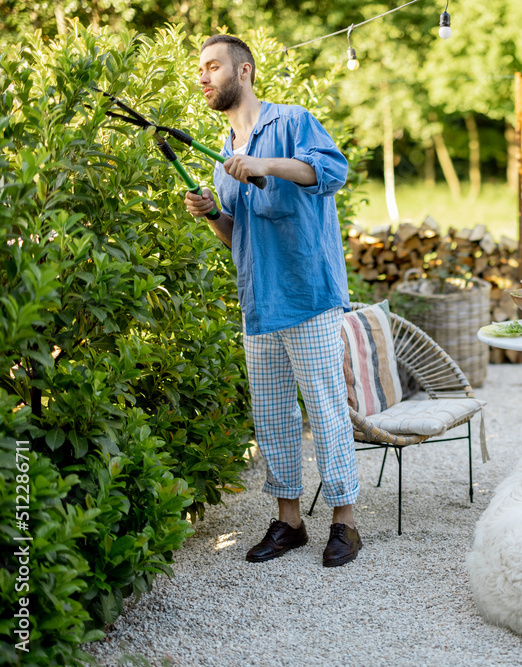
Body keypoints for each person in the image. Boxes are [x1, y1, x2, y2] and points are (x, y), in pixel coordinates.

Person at [184, 35, 362, 567]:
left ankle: (345, 524)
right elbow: (237, 235)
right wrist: (213, 212)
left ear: (245, 70)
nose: (204, 76)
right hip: (259, 302)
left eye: (213, 66)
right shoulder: (222, 157)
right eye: (201, 69)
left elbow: (329, 171)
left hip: (307, 296)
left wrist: (266, 164)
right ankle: (289, 523)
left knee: (327, 411)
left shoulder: (292, 121)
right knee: (274, 418)